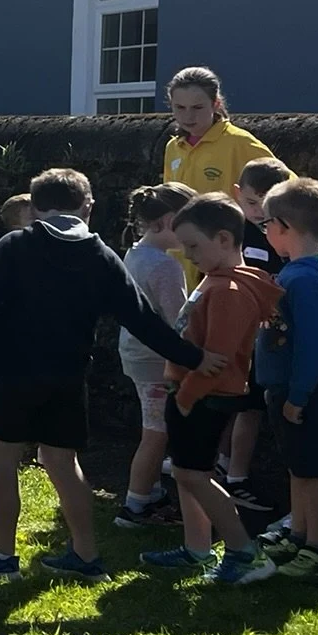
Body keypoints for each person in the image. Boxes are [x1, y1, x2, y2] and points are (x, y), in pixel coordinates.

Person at [0, 167, 210, 580]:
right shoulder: (100, 254)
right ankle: (86, 556)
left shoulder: (14, 245)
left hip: (15, 371)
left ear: (35, 208)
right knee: (62, 462)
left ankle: (3, 556)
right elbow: (143, 318)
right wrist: (194, 357)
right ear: (88, 206)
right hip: (70, 374)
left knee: (0, 460)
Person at [140, 193, 282, 583]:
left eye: (193, 246)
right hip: (192, 394)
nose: (187, 255)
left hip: (204, 398)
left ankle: (244, 551)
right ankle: (196, 548)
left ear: (223, 239)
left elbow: (216, 361)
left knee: (193, 475)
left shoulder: (228, 292)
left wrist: (185, 397)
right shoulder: (218, 281)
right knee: (189, 473)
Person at [253, 178, 318, 581]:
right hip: (293, 387)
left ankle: (316, 546)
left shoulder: (305, 280)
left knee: (311, 471)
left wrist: (297, 396)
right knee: (298, 466)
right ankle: (297, 534)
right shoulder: (317, 268)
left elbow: (312, 346)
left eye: (265, 224)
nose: (264, 232)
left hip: (302, 390)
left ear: (282, 226)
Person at [112, 182, 195, 531]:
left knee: (153, 428)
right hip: (155, 360)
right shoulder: (165, 266)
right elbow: (178, 316)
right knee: (156, 433)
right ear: (168, 220)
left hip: (136, 354)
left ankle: (152, 494)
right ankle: (136, 504)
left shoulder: (134, 253)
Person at [221, 157, 295, 510]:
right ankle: (232, 475)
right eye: (251, 203)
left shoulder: (283, 230)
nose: (257, 212)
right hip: (237, 331)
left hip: (265, 332)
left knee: (249, 408)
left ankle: (232, 472)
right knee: (236, 404)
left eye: (266, 206)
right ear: (238, 195)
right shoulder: (232, 229)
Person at [162, 65, 273, 281]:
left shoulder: (239, 143)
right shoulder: (174, 147)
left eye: (197, 107)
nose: (188, 116)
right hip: (182, 255)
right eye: (179, 107)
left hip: (222, 257)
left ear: (216, 104)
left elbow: (285, 189)